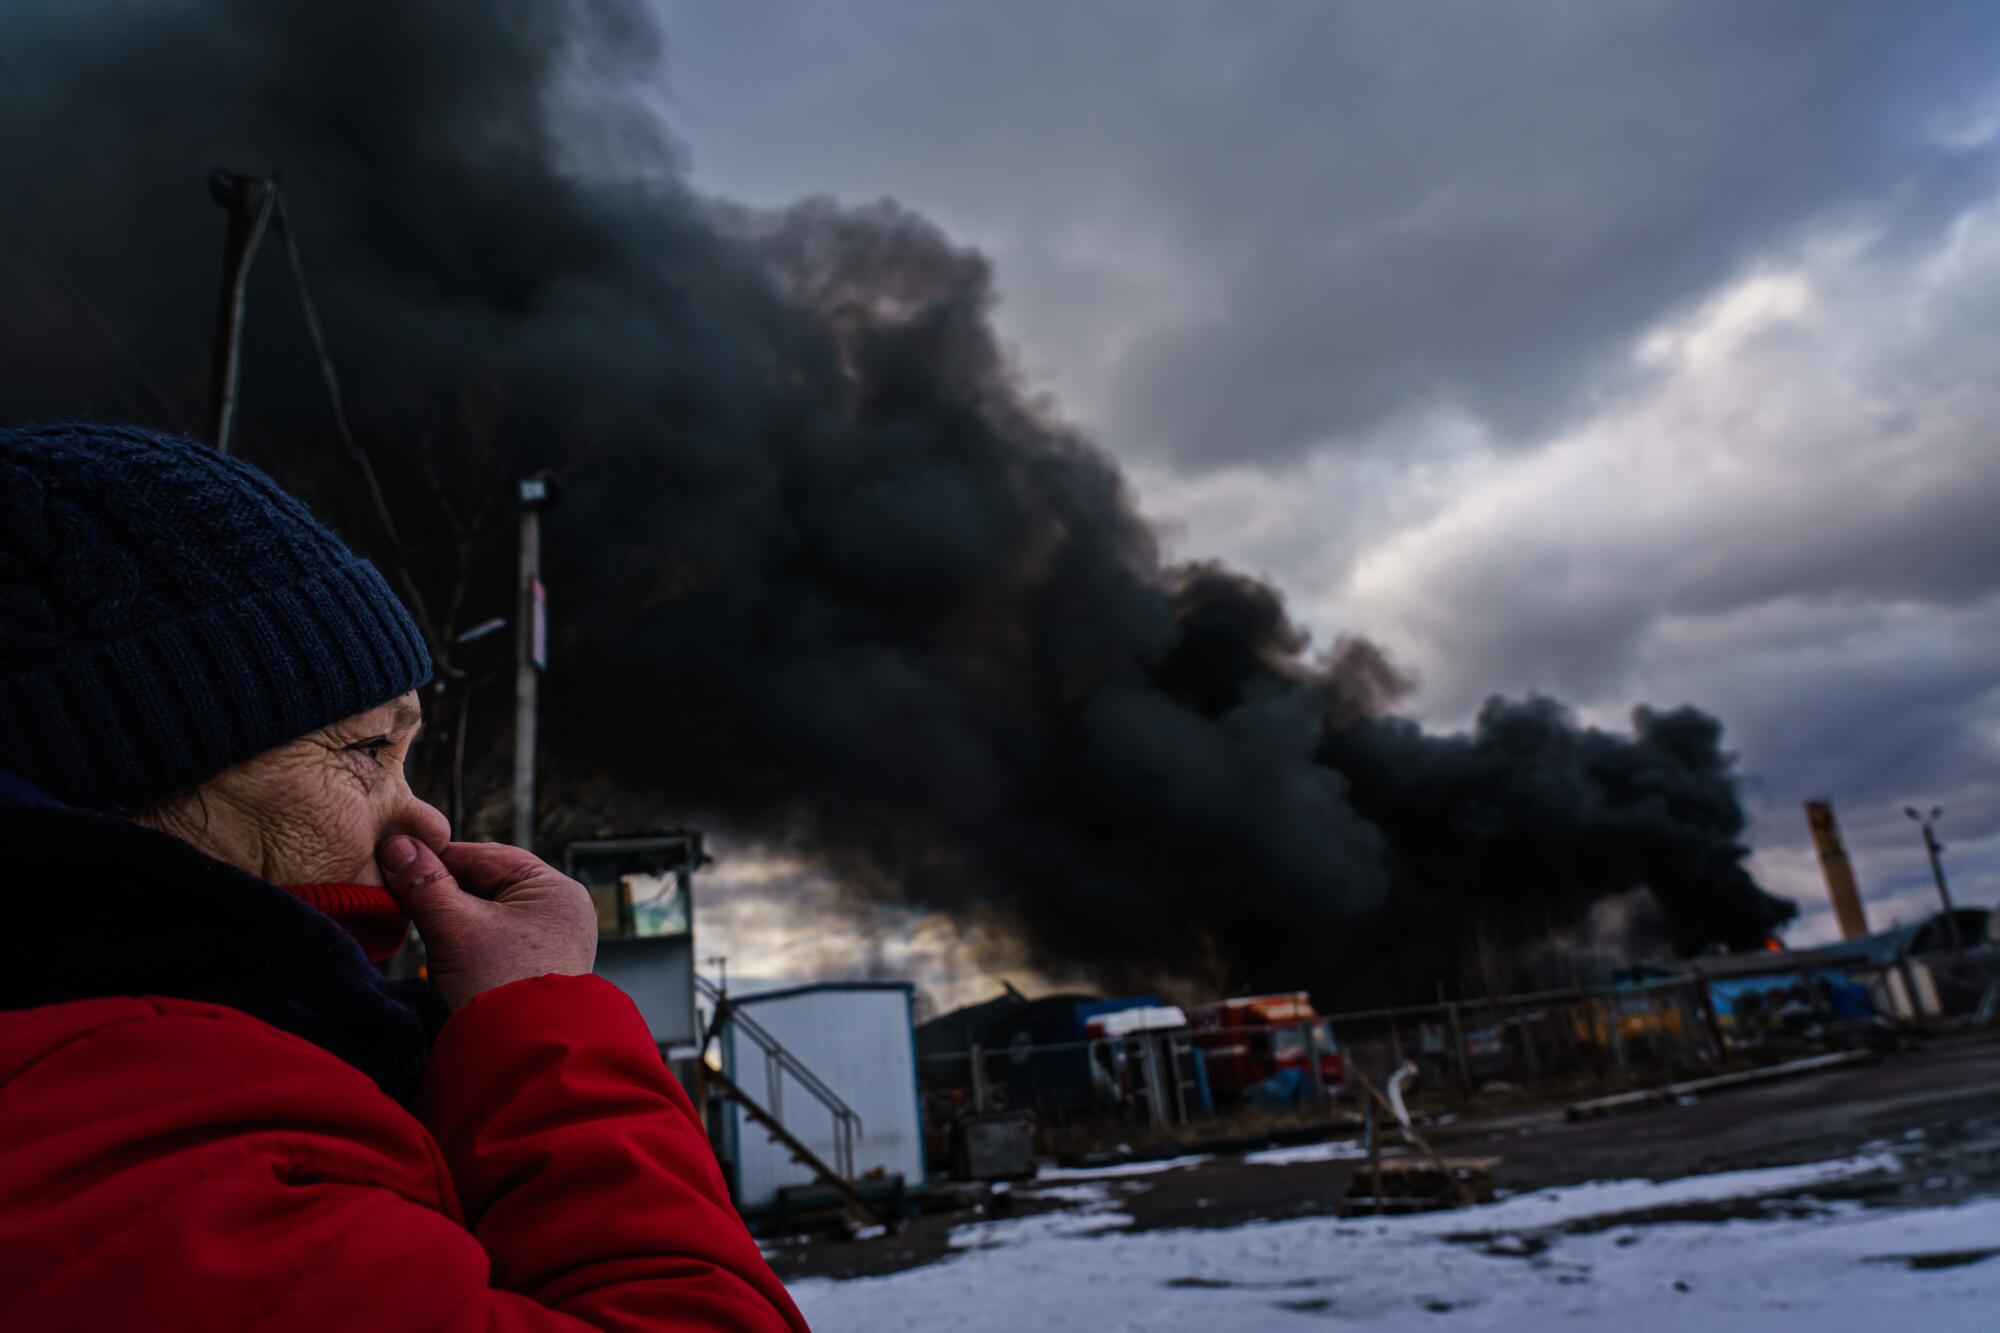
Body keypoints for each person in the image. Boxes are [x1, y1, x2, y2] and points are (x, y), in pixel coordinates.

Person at [0, 423, 809, 1332]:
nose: (425, 818)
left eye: (409, 750)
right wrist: (542, 1014)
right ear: (121, 760)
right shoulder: (156, 1154)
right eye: (368, 750)